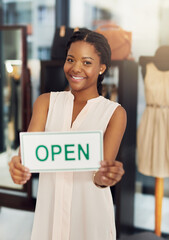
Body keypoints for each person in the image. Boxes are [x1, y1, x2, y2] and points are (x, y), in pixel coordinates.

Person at [9, 29, 127, 240]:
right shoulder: (46, 102)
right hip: (50, 212)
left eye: (87, 62)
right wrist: (18, 164)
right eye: (71, 59)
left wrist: (104, 177)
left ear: (101, 68)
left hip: (90, 215)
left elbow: (101, 173)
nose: (76, 68)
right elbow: (27, 154)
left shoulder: (114, 113)